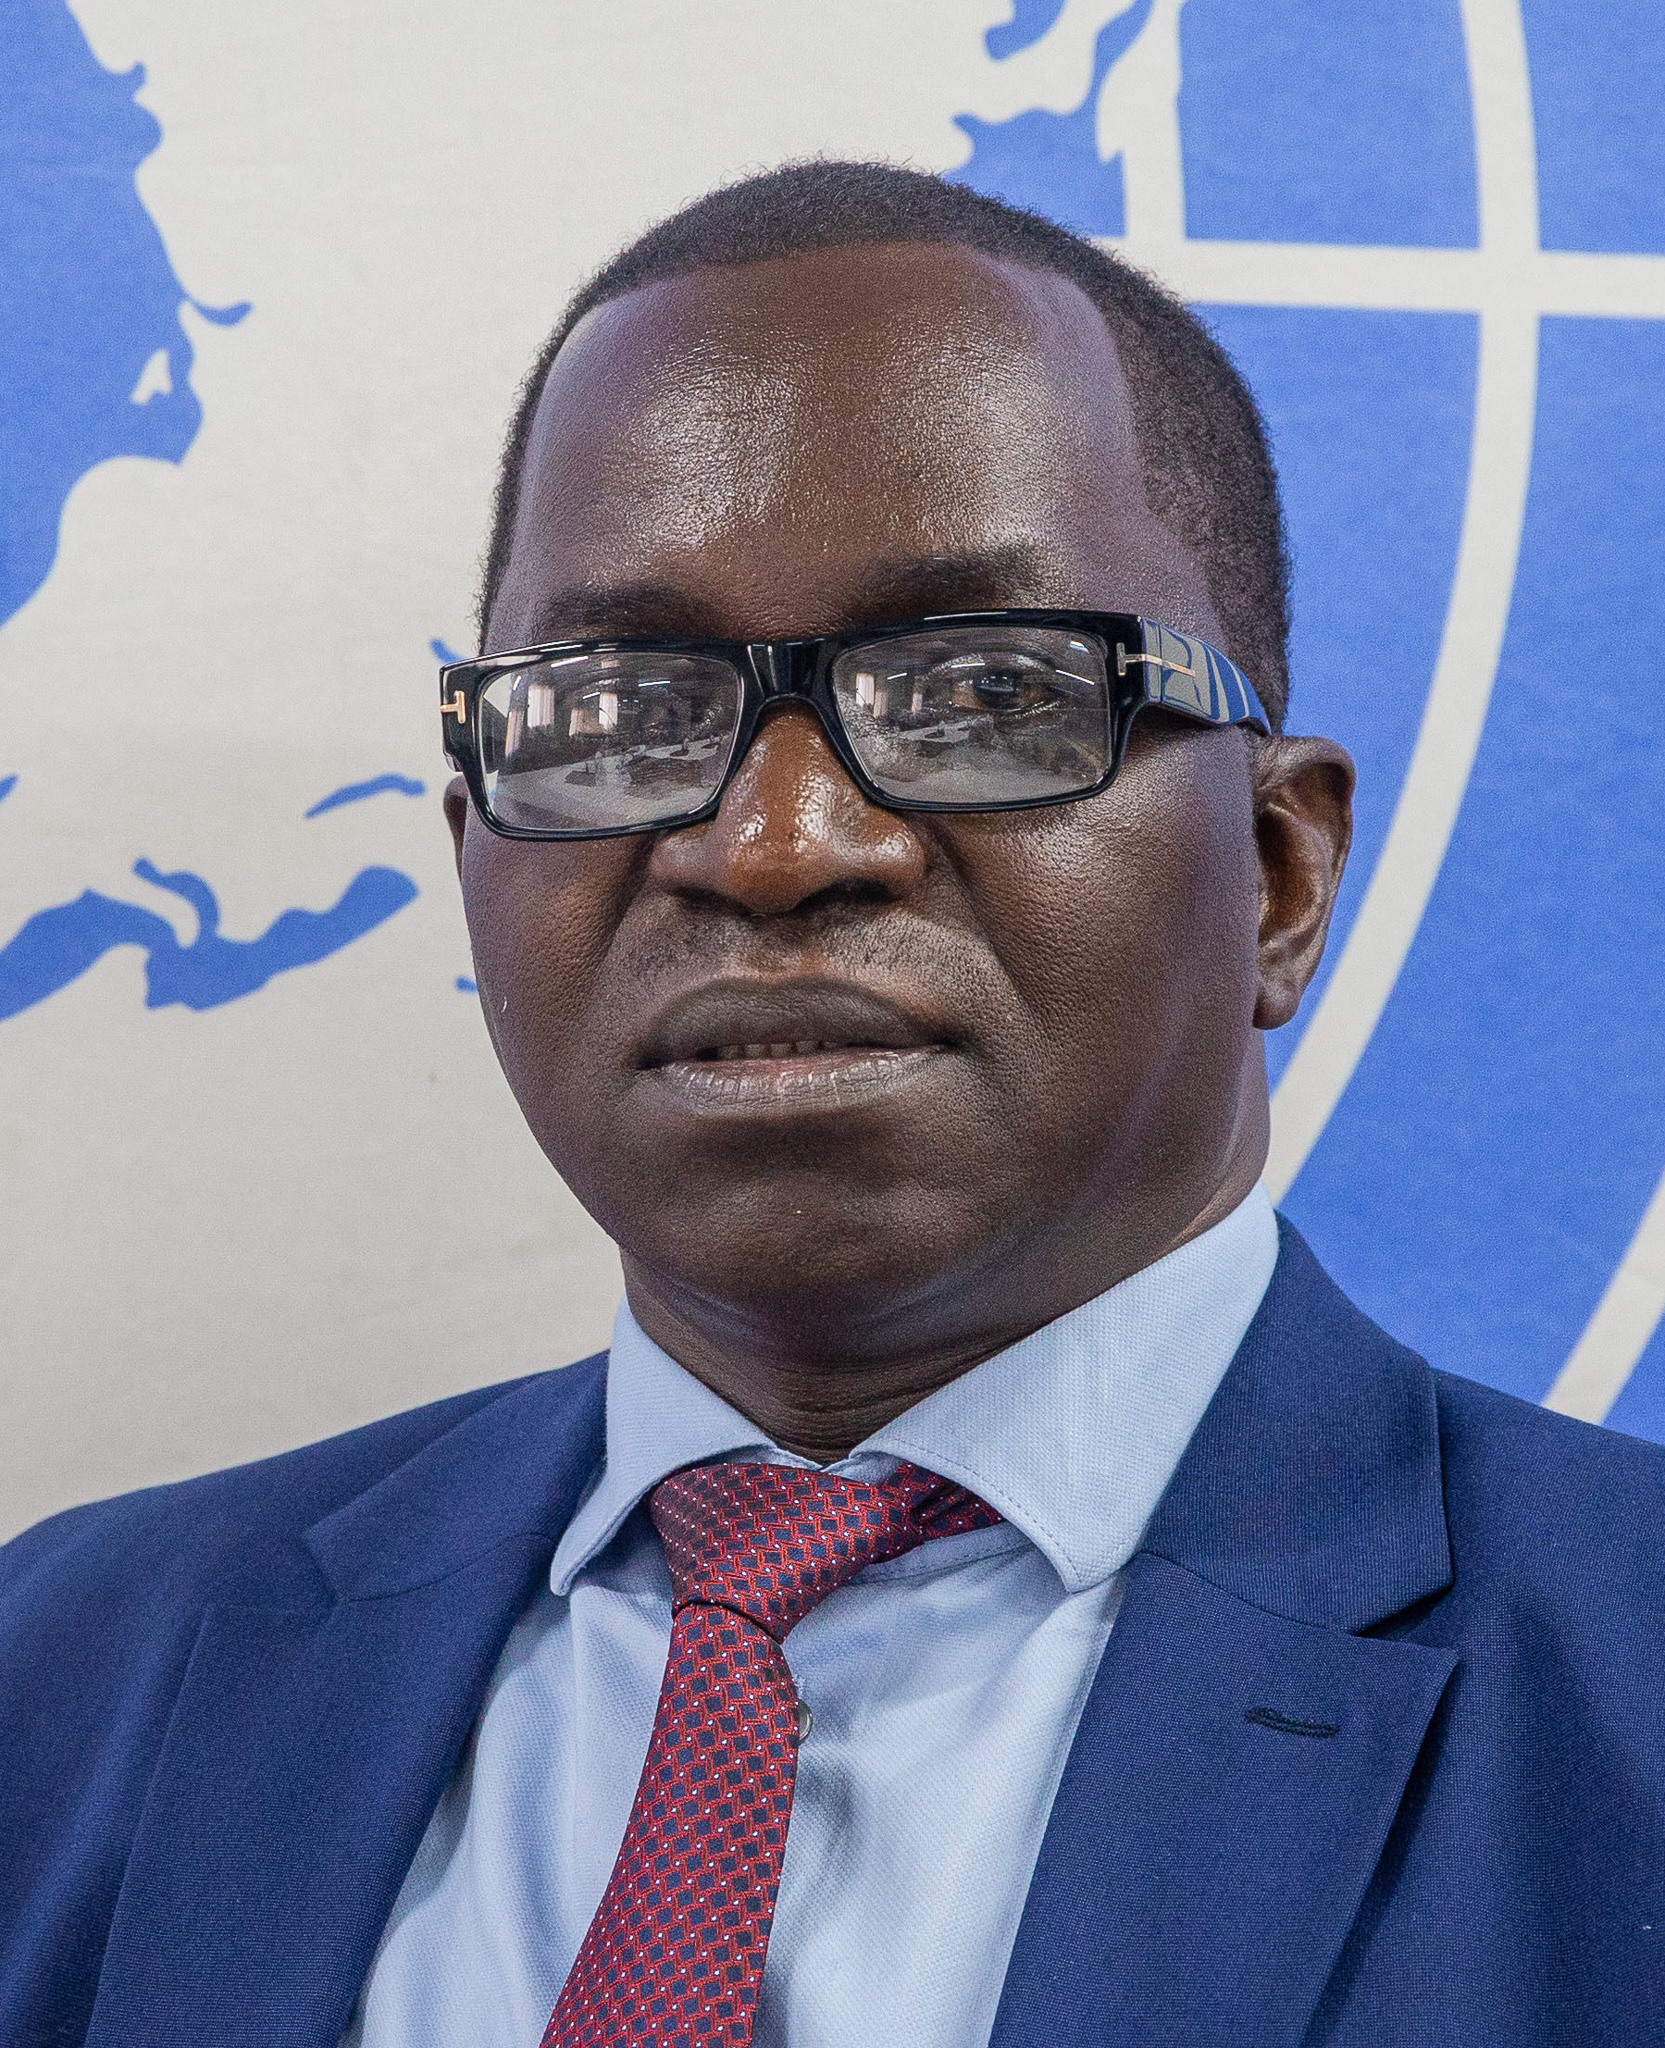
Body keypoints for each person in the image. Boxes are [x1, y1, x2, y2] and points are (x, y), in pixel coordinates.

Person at [3, 162, 1662, 2048]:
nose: (773, 845)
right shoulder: (68, 1674)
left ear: (1277, 874)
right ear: (475, 852)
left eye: (980, 694)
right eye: (619, 713)